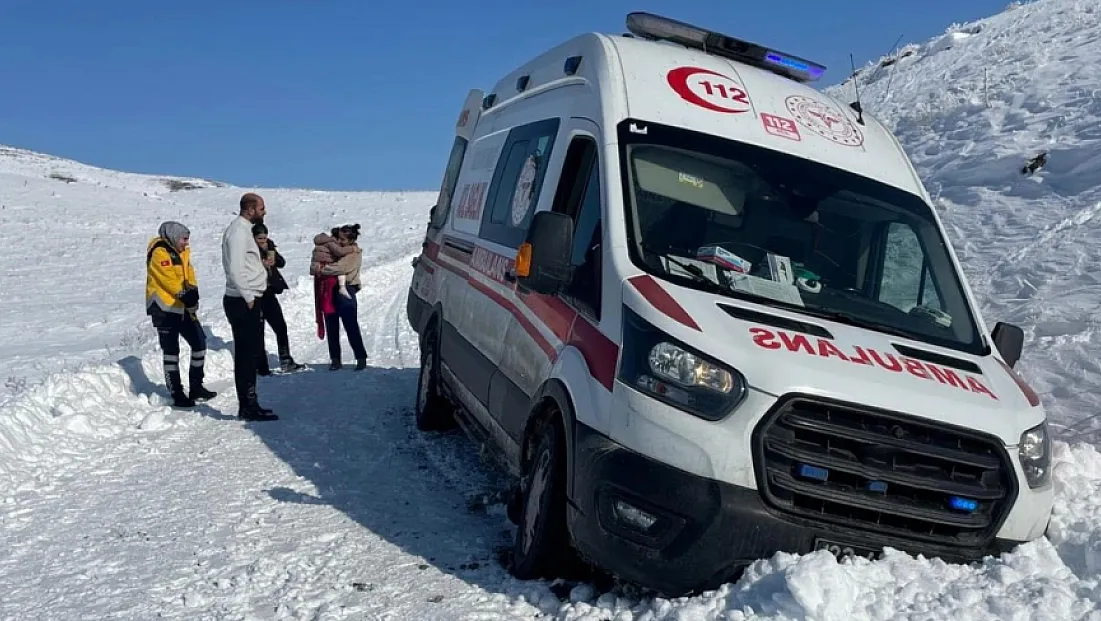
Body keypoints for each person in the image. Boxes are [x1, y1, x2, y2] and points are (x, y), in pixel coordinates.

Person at [145, 221, 217, 408]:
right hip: (164, 309)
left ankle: (196, 386)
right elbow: (167, 278)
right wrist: (184, 294)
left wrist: (193, 291)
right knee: (171, 352)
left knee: (199, 342)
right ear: (174, 237)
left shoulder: (183, 252)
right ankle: (177, 392)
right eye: (184, 239)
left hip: (182, 307)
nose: (186, 243)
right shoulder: (160, 251)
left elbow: (189, 273)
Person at [221, 192, 278, 421]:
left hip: (250, 298)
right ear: (250, 209)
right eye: (262, 208)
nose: (265, 212)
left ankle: (251, 403)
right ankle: (246, 406)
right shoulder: (237, 232)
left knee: (251, 354)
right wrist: (248, 297)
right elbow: (235, 269)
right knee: (245, 355)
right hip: (242, 301)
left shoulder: (246, 231)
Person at [311, 224, 367, 371]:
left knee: (350, 325)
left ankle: (361, 357)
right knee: (331, 324)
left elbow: (340, 268)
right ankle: (335, 358)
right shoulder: (339, 251)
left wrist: (322, 269)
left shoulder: (353, 254)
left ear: (351, 240)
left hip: (346, 288)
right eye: (339, 238)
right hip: (331, 288)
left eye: (343, 239)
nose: (340, 242)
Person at [252, 222, 305, 375]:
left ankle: (286, 360)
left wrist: (273, 258)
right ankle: (261, 367)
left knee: (280, 326)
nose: (262, 240)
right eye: (259, 238)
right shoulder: (250, 250)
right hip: (256, 292)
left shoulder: (269, 246)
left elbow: (282, 263)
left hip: (269, 292)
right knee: (258, 330)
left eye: (264, 237)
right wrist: (261, 263)